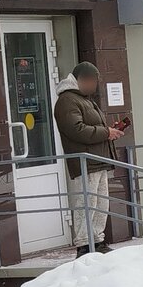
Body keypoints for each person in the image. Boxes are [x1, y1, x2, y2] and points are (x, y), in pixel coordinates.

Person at [53, 61, 124, 258]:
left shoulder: (83, 99)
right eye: (92, 81)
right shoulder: (68, 100)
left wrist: (108, 131)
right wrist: (106, 132)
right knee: (87, 201)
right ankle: (84, 244)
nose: (94, 86)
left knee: (100, 203)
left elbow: (89, 127)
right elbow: (76, 130)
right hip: (85, 161)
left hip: (98, 159)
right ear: (81, 80)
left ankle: (97, 240)